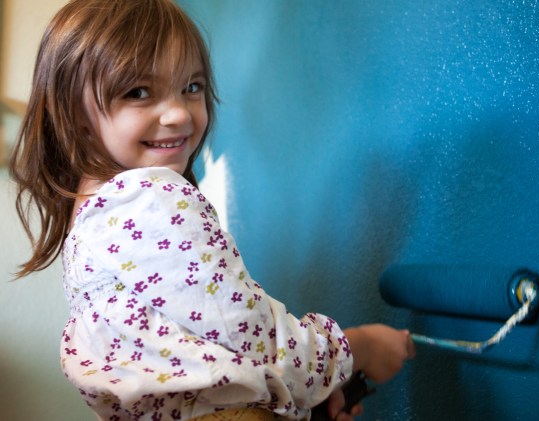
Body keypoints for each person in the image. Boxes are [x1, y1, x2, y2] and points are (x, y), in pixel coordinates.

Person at [10, 0, 415, 420]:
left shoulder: (93, 215)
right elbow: (248, 332)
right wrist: (355, 347)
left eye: (192, 87)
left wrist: (310, 396)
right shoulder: (149, 197)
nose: (178, 113)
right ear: (74, 112)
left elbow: (199, 351)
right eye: (138, 92)